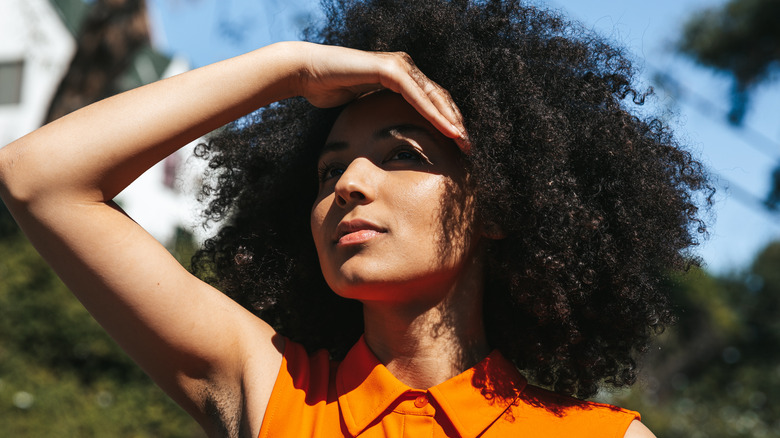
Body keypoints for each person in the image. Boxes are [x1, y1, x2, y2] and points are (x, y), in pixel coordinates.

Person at [0, 0, 711, 437]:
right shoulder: (273, 392)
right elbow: (38, 177)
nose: (348, 185)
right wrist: (289, 69)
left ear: (496, 206)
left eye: (401, 155)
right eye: (328, 169)